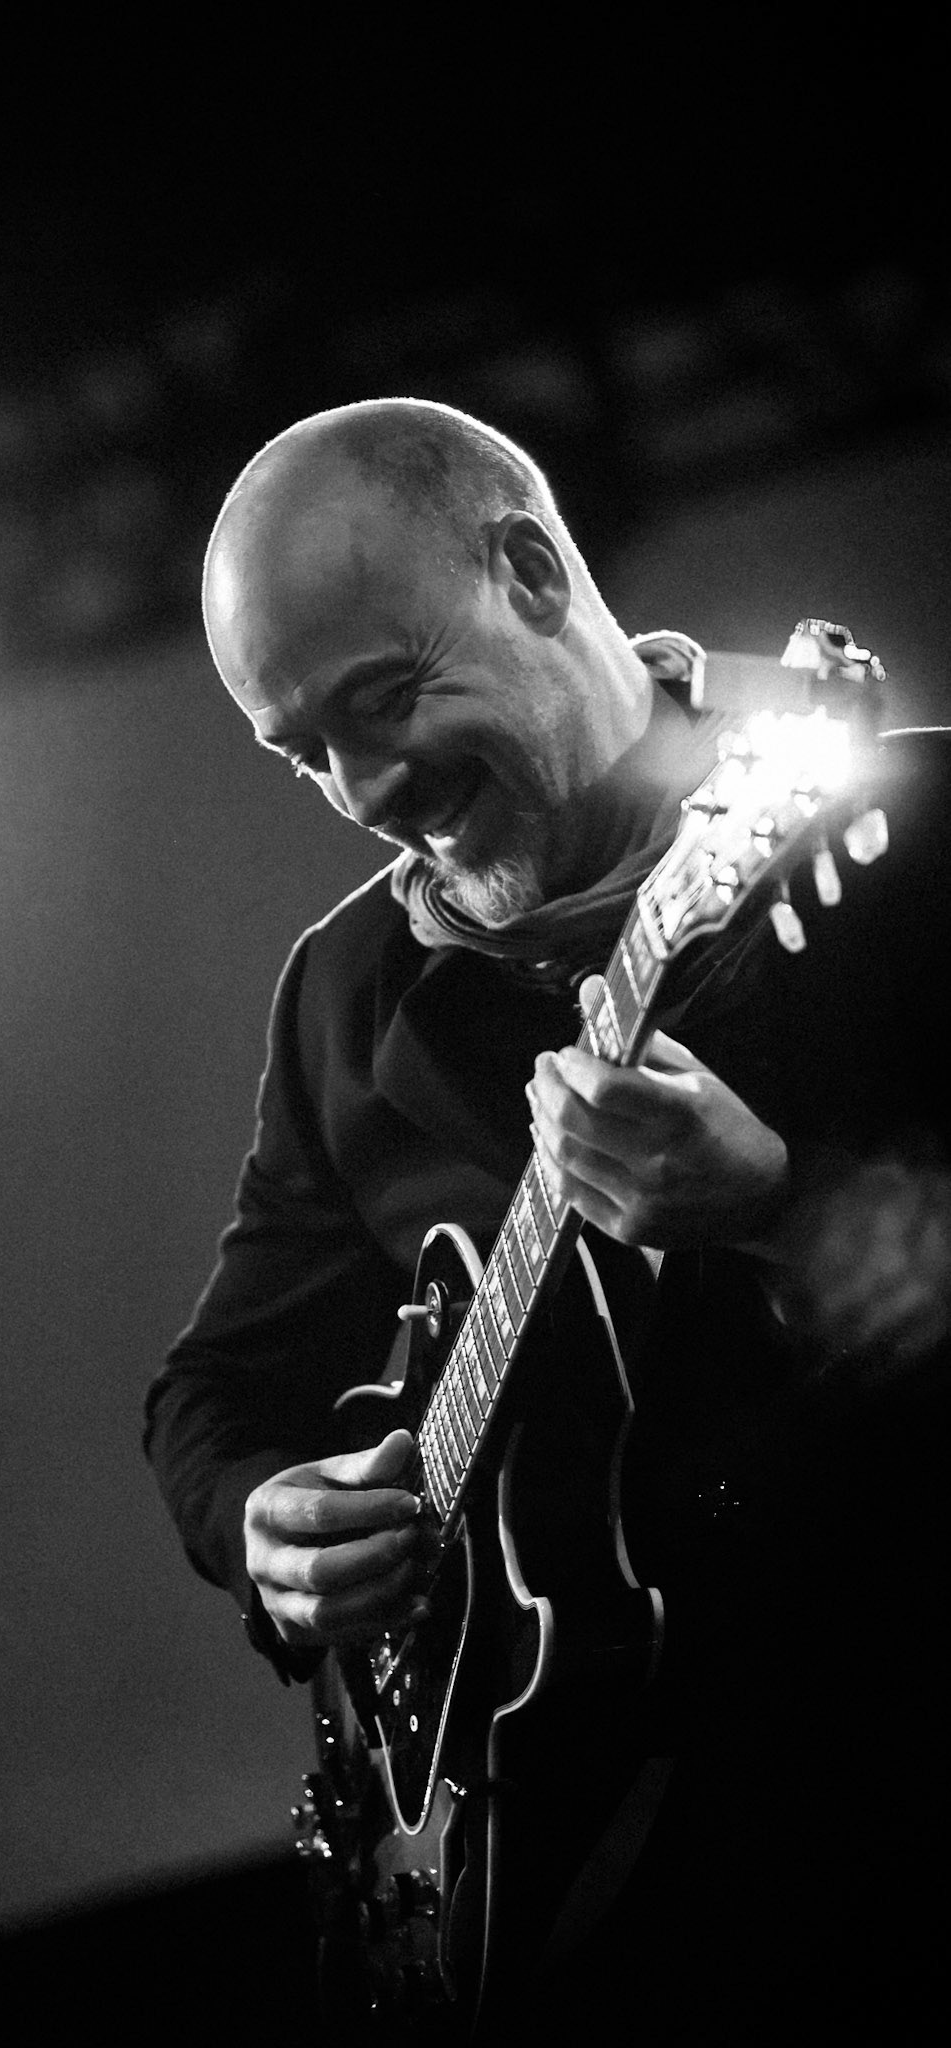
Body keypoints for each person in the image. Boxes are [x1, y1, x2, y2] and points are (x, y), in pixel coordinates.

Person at [144, 398, 951, 2040]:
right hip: (603, 1905)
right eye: (303, 751)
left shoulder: (900, 835)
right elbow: (209, 1402)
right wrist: (261, 1531)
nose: (366, 788)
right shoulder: (341, 1000)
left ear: (526, 568)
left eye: (383, 697)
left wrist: (779, 1214)